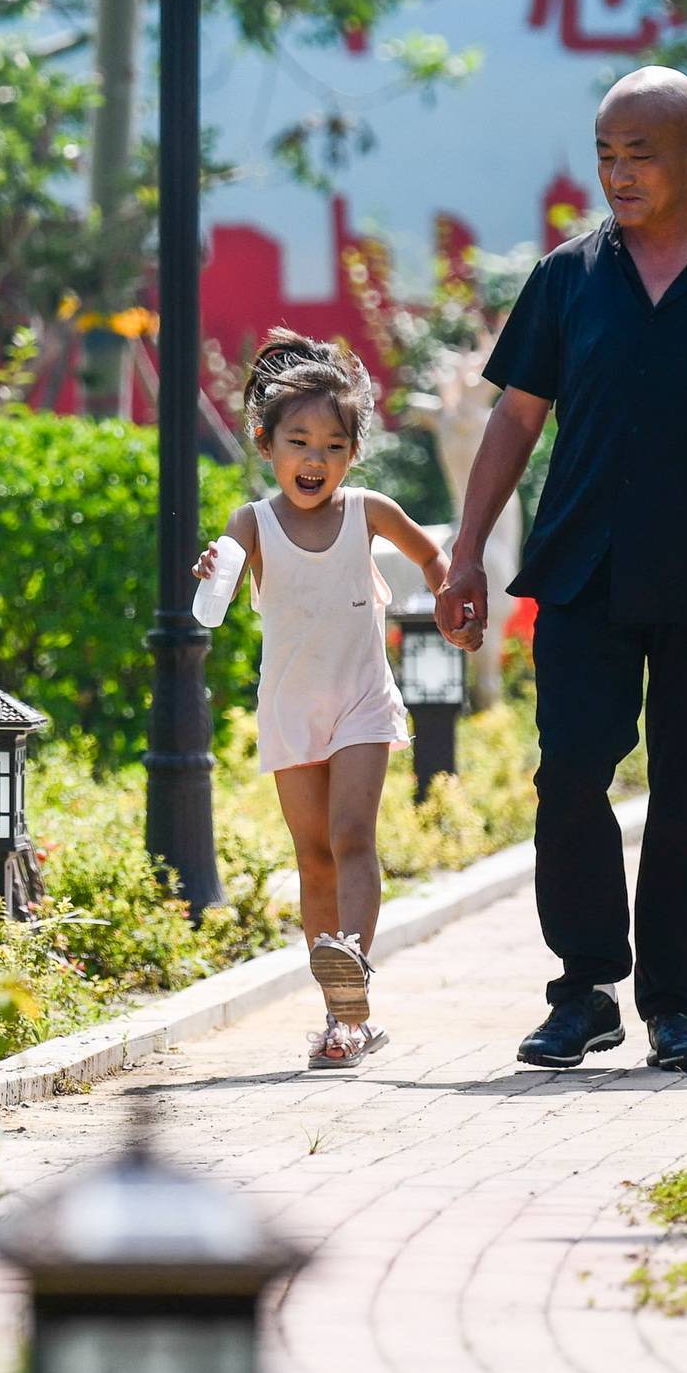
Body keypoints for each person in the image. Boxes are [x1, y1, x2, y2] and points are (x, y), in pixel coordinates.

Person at [435, 68, 687, 1076]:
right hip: (585, 566)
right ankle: (583, 988)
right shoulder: (569, 276)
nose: (616, 172)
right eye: (605, 153)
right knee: (569, 770)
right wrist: (466, 547)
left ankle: (676, 1004)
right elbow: (515, 418)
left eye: (638, 153)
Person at [196, 332, 449, 1068]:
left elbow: (432, 556)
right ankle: (340, 1018)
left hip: (362, 703)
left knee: (352, 841)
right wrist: (213, 567)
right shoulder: (252, 523)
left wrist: (451, 602)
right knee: (312, 862)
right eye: (299, 442)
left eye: (334, 446)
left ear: (353, 452)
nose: (316, 460)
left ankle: (353, 991)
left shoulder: (369, 511)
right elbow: (213, 589)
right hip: (289, 710)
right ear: (265, 443)